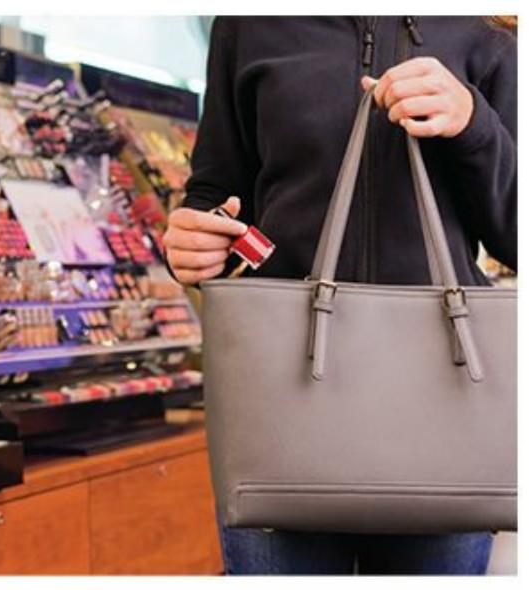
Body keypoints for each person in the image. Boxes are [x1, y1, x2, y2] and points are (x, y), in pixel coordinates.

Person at [163, 16, 516, 575]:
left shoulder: (489, 30)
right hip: (279, 397)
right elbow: (218, 192)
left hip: (440, 402)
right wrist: (197, 242)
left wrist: (473, 123)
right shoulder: (249, 23)